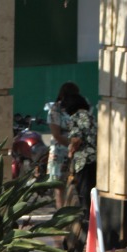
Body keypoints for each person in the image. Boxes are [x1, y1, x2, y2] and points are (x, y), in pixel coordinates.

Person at [63, 86, 97, 215]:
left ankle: (87, 220)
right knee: (92, 190)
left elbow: (76, 139)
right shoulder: (90, 116)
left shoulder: (75, 117)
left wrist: (71, 152)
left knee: (84, 192)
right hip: (95, 158)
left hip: (83, 160)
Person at [47, 82, 80, 211]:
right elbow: (56, 134)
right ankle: (61, 214)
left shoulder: (78, 108)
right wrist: (71, 144)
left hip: (76, 149)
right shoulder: (55, 110)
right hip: (60, 150)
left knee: (73, 183)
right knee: (59, 185)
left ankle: (71, 212)